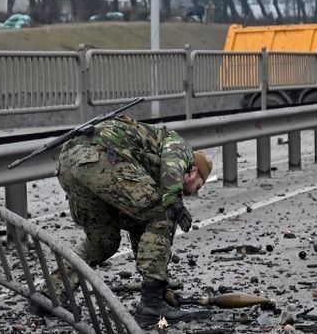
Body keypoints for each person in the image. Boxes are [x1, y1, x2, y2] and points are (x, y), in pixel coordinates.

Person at [42, 115, 212, 326]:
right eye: (199, 185)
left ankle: (50, 294)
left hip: (69, 164)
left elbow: (143, 228)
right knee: (162, 213)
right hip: (100, 158)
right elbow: (172, 162)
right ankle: (151, 306)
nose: (195, 191)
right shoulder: (181, 148)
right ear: (193, 170)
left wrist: (161, 285)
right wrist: (173, 200)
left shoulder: (149, 169)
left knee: (102, 241)